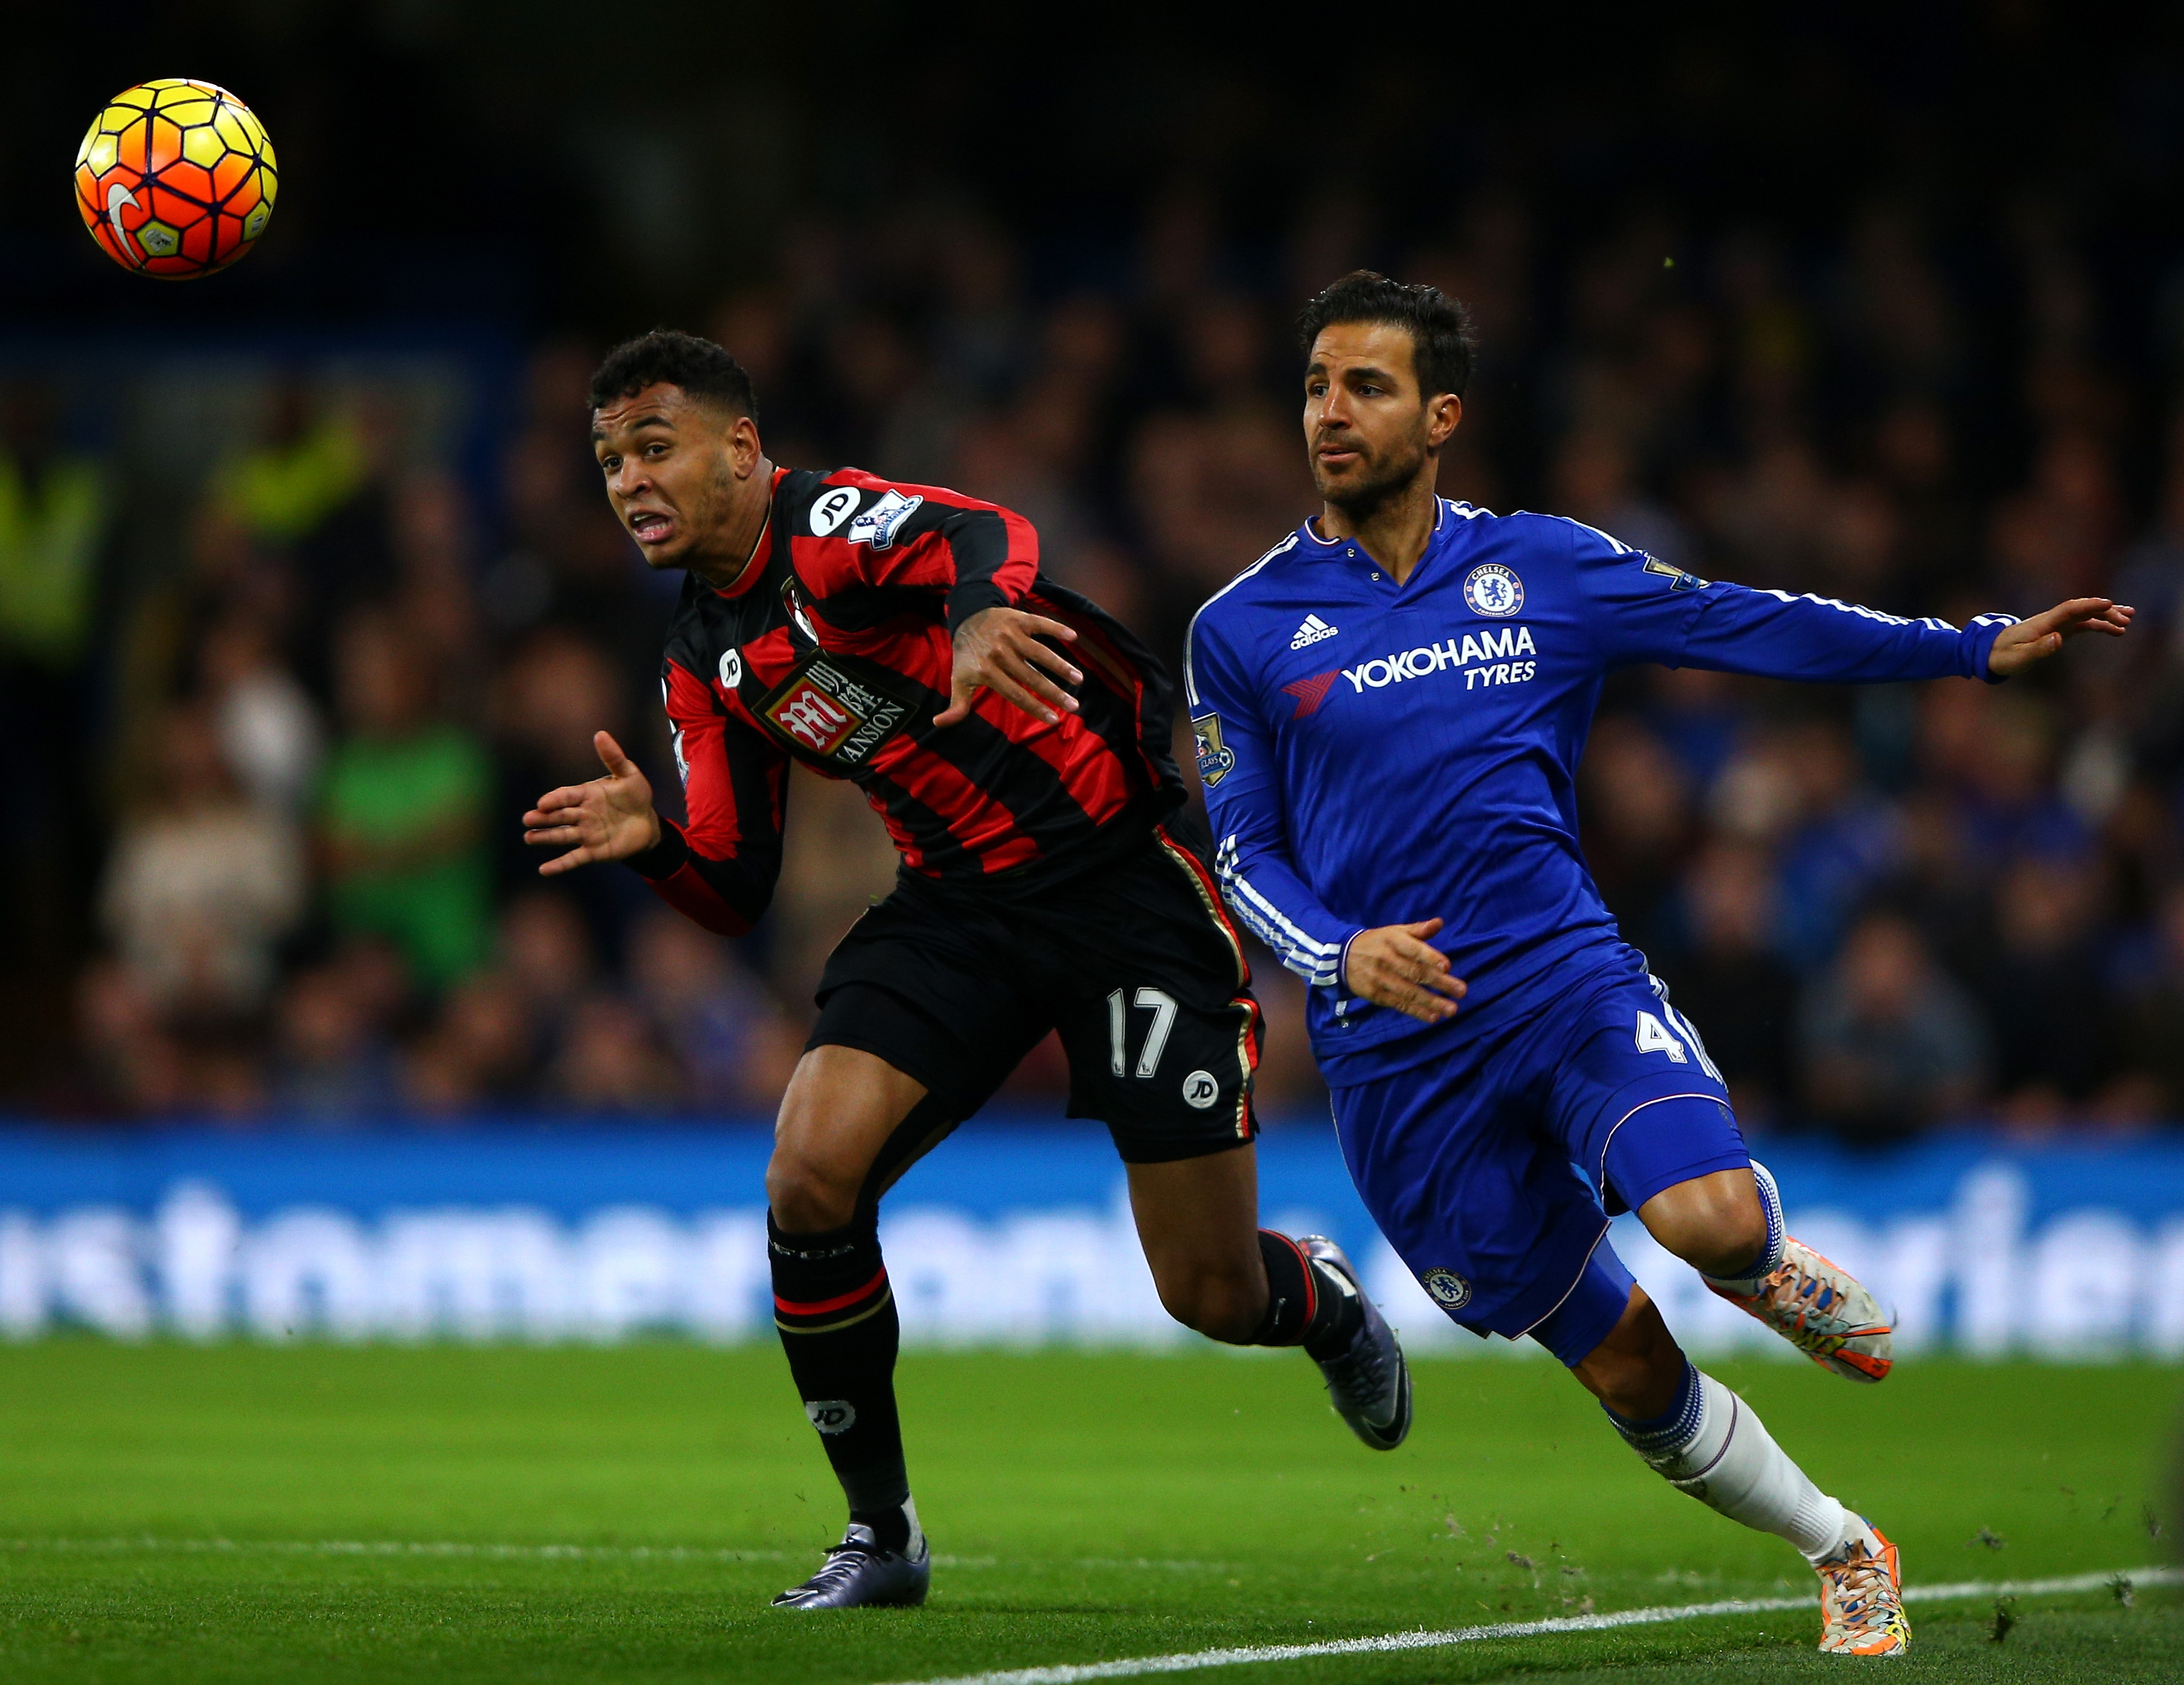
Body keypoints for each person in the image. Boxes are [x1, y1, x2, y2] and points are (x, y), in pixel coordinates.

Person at [1185, 271, 2132, 1658]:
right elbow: (1243, 858)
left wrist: (1976, 648)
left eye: (1367, 385)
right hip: (1394, 1055)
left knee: (1707, 1225)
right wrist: (1338, 953)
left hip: (1558, 978)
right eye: (1319, 382)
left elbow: (1755, 621)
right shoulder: (1241, 628)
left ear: (1440, 415)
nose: (1331, 411)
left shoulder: (1544, 568)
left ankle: (1762, 1257)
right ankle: (1843, 1545)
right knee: (1625, 1359)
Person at [523, 331, 1410, 1611]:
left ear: (740, 451)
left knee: (1211, 1292)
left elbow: (984, 529)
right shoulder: (699, 658)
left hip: (1121, 888)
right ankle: (881, 1533)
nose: (629, 481)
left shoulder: (825, 525)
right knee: (810, 1172)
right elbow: (732, 887)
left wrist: (983, 611)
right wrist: (657, 844)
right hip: (956, 905)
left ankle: (1318, 1301)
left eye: (654, 448)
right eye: (609, 460)